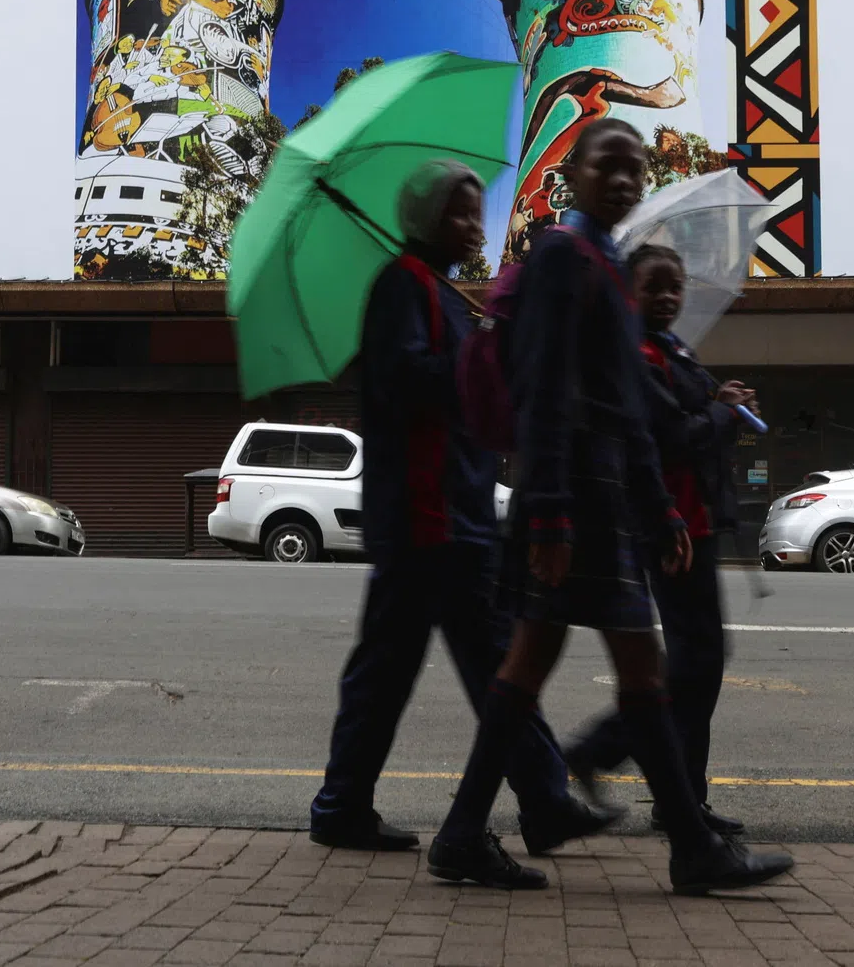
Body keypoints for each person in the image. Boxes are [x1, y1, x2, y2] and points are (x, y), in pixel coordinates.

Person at [427, 119, 794, 894]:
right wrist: (554, 512)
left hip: (596, 495)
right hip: (573, 501)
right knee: (634, 671)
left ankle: (463, 834)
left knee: (533, 670)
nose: (626, 181)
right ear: (574, 176)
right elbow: (548, 385)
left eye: (636, 170)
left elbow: (626, 407)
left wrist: (659, 511)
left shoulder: (608, 262)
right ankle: (690, 845)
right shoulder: (565, 254)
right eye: (610, 166)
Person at [309, 159, 620, 855]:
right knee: (476, 665)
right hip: (429, 516)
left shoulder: (442, 292)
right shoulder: (403, 286)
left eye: (476, 212)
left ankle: (348, 806)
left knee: (437, 668)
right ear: (423, 219)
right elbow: (405, 383)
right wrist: (477, 355)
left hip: (454, 512)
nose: (472, 226)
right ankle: (538, 802)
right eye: (457, 212)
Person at [565, 243, 753, 838]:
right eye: (656, 286)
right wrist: (721, 416)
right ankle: (608, 758)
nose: (669, 297)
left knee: (699, 666)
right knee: (691, 666)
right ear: (630, 292)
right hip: (667, 527)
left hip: (695, 521)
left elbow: (694, 419)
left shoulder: (672, 348)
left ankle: (682, 800)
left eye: (676, 286)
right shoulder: (638, 354)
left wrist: (723, 403)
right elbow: (672, 435)